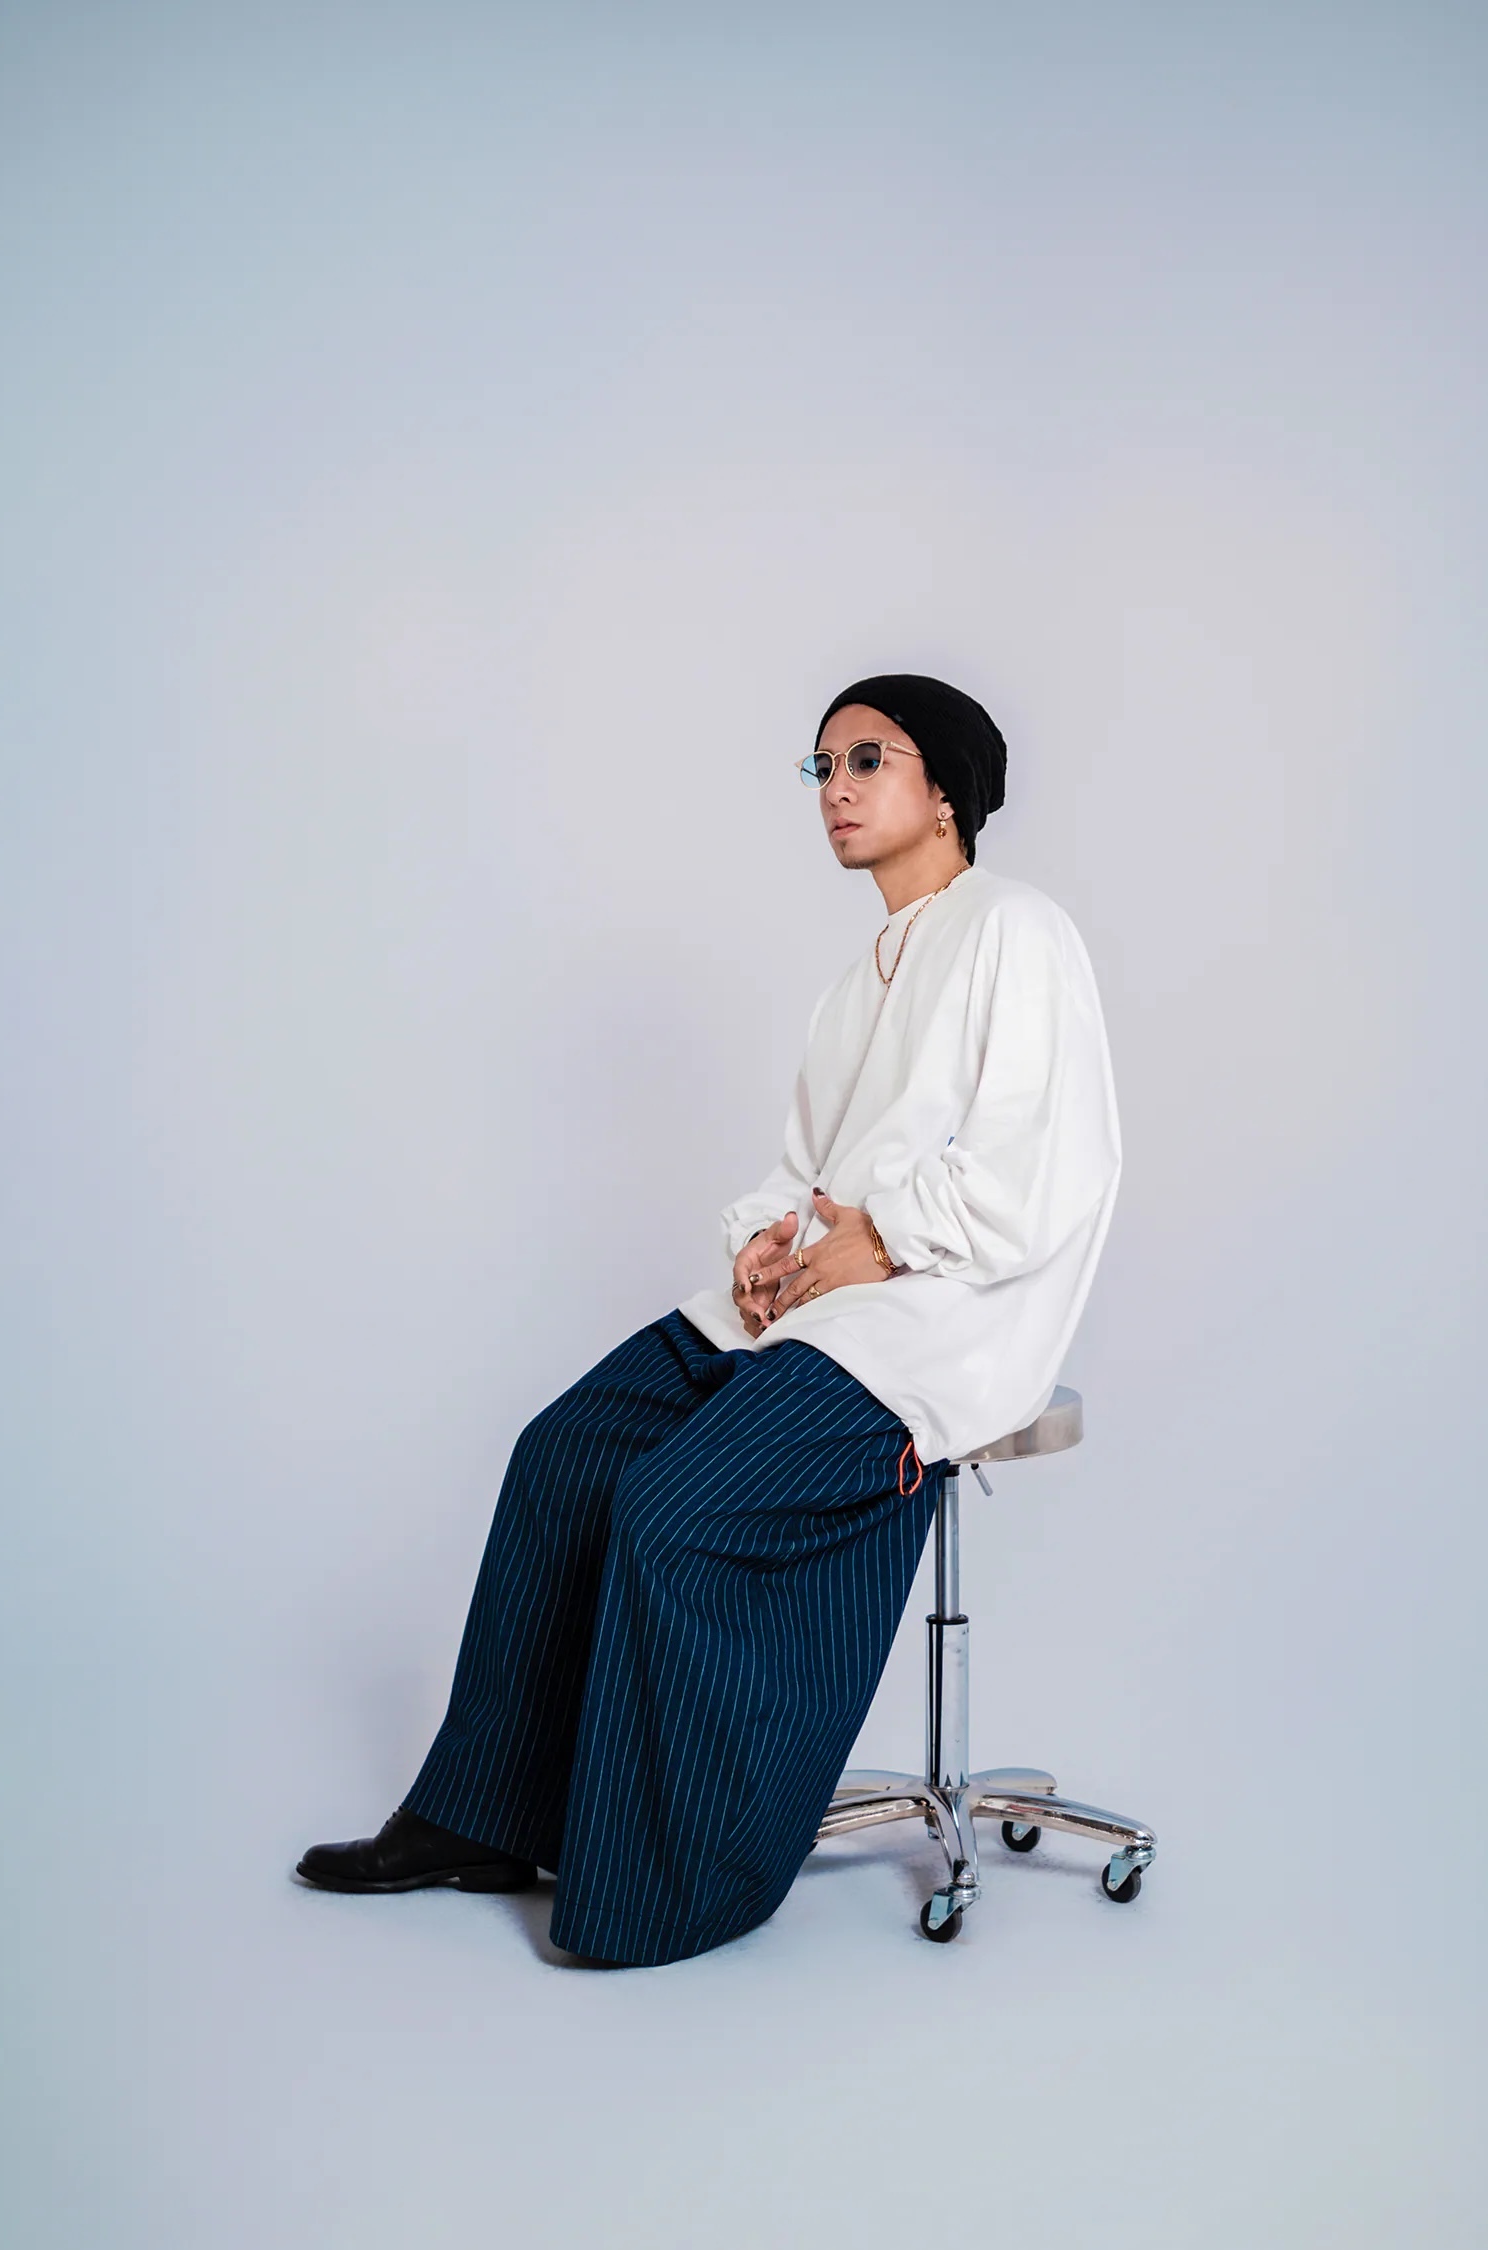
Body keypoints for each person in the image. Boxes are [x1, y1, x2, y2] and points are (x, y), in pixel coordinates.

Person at [295, 672, 1122, 1968]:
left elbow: (1044, 1167)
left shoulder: (1017, 929)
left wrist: (881, 1237)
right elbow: (804, 1166)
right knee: (563, 1456)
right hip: (818, 1304)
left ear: (947, 787)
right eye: (821, 768)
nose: (836, 788)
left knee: (671, 1509)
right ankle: (479, 1816)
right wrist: (761, 1243)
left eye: (867, 759)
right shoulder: (857, 981)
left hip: (939, 1318)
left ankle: (664, 1885)